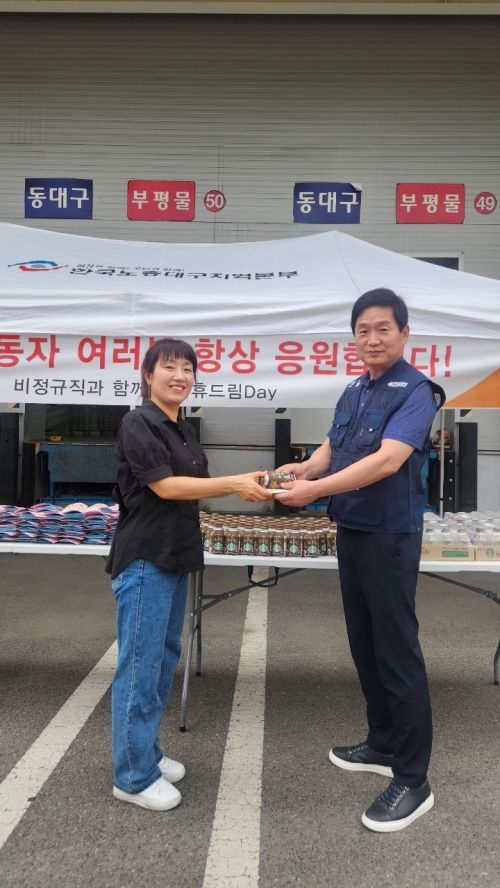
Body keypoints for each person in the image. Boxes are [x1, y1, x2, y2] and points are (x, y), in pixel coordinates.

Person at [277, 289, 445, 833]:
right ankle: (382, 742)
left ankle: (413, 779)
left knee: (396, 651)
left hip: (390, 537)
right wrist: (301, 470)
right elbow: (333, 447)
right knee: (365, 644)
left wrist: (314, 489)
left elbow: (387, 461)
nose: (372, 339)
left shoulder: (417, 392)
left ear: (404, 333)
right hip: (352, 529)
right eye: (362, 330)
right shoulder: (355, 389)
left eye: (382, 329)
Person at [106, 337, 271, 811]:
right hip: (146, 557)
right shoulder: (138, 422)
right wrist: (234, 483)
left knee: (161, 660)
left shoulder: (182, 428)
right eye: (168, 367)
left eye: (187, 369)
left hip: (176, 555)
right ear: (147, 376)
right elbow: (165, 486)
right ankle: (132, 776)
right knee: (140, 666)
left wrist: (250, 481)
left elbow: (194, 486)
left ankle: (146, 753)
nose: (180, 376)